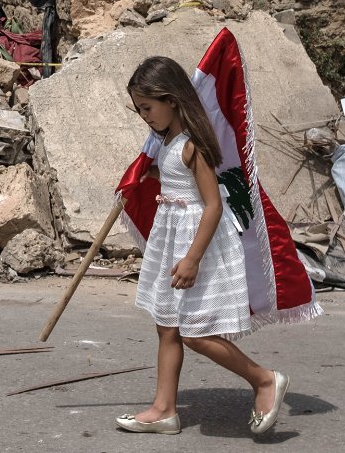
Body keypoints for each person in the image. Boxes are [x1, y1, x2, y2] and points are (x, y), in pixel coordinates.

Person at [114, 56, 289, 435]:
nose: (144, 116)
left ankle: (264, 379)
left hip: (198, 245)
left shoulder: (193, 146)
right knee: (167, 326)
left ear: (172, 100)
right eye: (139, 109)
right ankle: (164, 410)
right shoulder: (167, 142)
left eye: (147, 108)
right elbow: (174, 178)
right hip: (172, 239)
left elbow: (212, 205)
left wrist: (192, 259)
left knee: (195, 333)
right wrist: (146, 173)